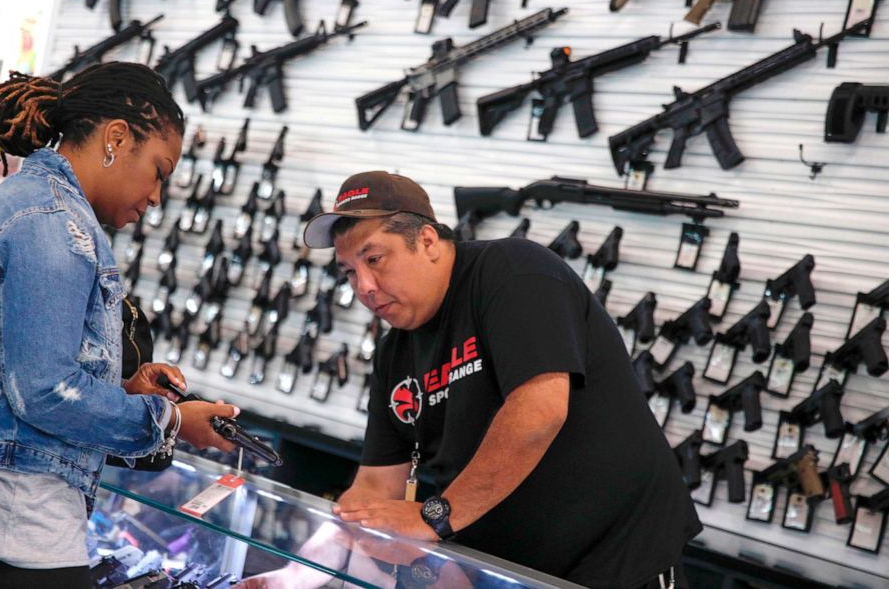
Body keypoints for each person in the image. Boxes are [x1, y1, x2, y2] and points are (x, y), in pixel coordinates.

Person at [0, 62, 241, 588]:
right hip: (0, 518)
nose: (155, 197)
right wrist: (170, 423)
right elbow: (46, 391)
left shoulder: (36, 208)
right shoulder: (53, 222)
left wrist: (120, 390)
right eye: (158, 170)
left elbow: (8, 374)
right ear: (117, 138)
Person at [299, 170, 703, 589]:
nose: (364, 287)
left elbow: (539, 412)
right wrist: (299, 569)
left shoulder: (512, 272)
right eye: (348, 271)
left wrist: (435, 516)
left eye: (374, 259)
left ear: (427, 241)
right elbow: (377, 481)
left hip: (615, 561)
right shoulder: (393, 352)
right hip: (506, 572)